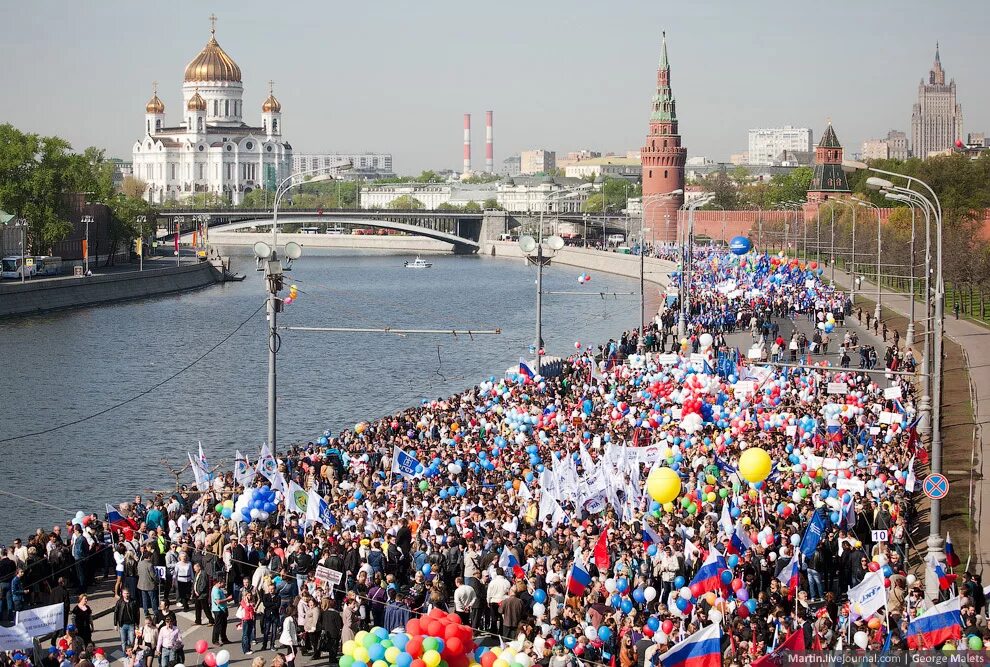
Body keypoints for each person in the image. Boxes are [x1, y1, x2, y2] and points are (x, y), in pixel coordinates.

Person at [114, 588, 141, 655]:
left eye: (127, 593)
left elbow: (137, 613)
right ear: (122, 594)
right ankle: (125, 655)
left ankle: (130, 654)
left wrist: (137, 624)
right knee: (123, 641)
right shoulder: (119, 602)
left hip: (131, 624)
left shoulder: (133, 601)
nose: (126, 595)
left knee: (131, 641)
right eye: (125, 593)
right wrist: (115, 624)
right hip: (122, 625)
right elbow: (116, 613)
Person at [211, 579, 232, 646]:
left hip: (223, 609)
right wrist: (227, 599)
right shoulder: (216, 590)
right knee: (218, 626)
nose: (225, 584)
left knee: (223, 625)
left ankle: (224, 639)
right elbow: (218, 601)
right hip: (218, 610)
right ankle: (215, 640)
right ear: (219, 582)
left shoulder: (219, 589)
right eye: (224, 583)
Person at [238, 590, 257, 656]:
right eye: (248, 595)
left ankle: (248, 648)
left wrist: (251, 605)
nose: (249, 596)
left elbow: (252, 609)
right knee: (245, 635)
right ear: (245, 596)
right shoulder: (243, 601)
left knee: (249, 634)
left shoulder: (251, 601)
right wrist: (247, 603)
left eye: (250, 595)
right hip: (245, 619)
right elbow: (246, 608)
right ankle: (245, 650)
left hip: (250, 619)